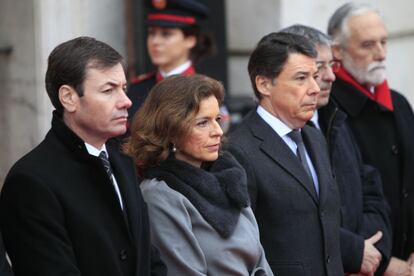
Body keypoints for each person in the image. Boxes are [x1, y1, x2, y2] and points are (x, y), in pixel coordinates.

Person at [0, 36, 165, 276]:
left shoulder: (121, 158)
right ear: (68, 98)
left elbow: (148, 258)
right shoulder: (31, 181)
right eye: (109, 90)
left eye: (124, 88)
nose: (126, 102)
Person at [124, 74, 273, 276]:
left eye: (217, 119)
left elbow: (261, 262)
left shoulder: (229, 176)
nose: (218, 131)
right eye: (203, 123)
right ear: (171, 130)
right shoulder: (159, 195)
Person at [226, 31, 343, 275]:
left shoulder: (313, 136)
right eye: (301, 78)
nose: (314, 88)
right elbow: (238, 247)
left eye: (315, 76)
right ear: (264, 84)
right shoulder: (237, 151)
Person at [282, 24, 392, 275]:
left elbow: (370, 188)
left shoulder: (335, 119)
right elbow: (293, 219)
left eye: (333, 65)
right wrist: (354, 251)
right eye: (320, 67)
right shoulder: (280, 135)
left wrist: (372, 250)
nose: (331, 76)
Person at [328, 3, 414, 274]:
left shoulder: (398, 102)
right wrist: (384, 263)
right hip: (365, 263)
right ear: (337, 51)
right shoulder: (327, 111)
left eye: (384, 42)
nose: (380, 54)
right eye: (367, 45)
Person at [127, 0, 215, 118]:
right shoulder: (137, 89)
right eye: (152, 33)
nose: (155, 42)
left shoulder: (207, 90)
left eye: (166, 34)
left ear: (190, 40)